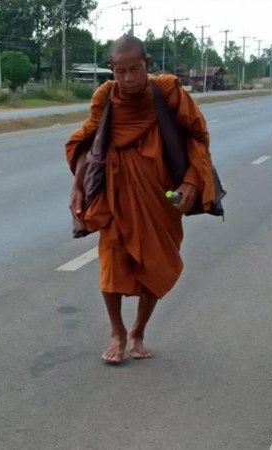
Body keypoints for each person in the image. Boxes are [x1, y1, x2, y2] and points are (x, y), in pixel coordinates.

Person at [65, 35, 216, 363]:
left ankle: (139, 331)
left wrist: (192, 181)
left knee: (156, 262)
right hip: (115, 196)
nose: (128, 78)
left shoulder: (168, 93)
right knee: (112, 265)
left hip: (162, 196)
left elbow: (197, 138)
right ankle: (117, 333)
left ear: (147, 64)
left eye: (135, 69)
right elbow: (85, 144)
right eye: (121, 71)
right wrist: (77, 188)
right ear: (112, 70)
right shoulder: (105, 97)